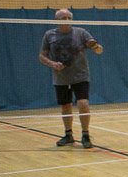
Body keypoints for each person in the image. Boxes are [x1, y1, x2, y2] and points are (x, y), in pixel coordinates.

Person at [39, 9, 103, 149]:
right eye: (63, 17)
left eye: (69, 17)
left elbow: (99, 51)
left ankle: (85, 135)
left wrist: (95, 46)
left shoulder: (81, 32)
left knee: (83, 103)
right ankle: (68, 135)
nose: (66, 19)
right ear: (57, 20)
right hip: (61, 77)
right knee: (66, 106)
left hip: (80, 75)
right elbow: (42, 56)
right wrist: (53, 64)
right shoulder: (49, 35)